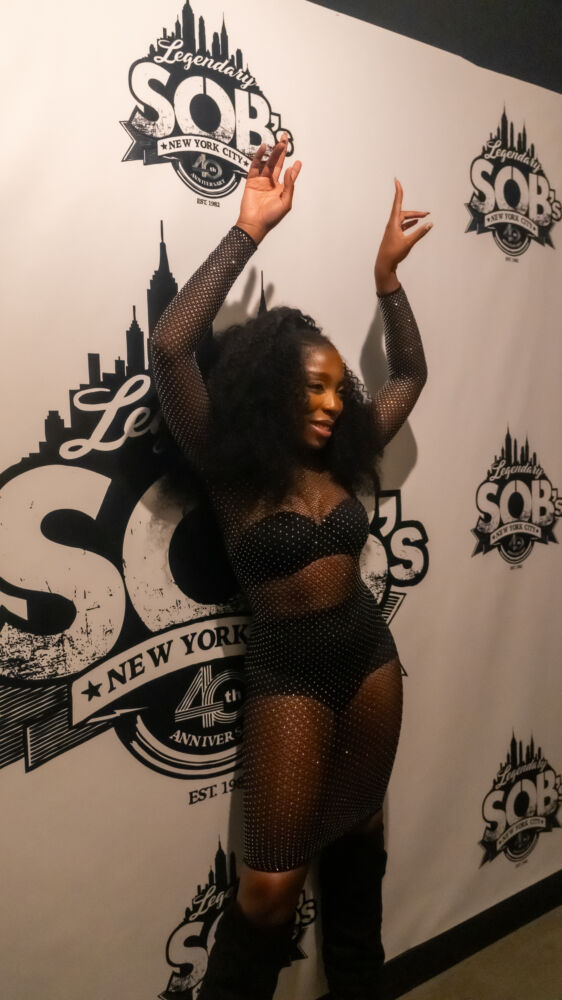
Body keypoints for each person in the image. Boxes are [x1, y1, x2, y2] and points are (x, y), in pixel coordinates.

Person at [151, 135, 431, 1000]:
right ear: (271, 385)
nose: (330, 404)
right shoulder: (231, 466)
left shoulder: (347, 446)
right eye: (312, 387)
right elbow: (170, 347)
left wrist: (387, 281)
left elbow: (410, 373)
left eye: (338, 388)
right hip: (290, 674)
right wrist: (249, 230)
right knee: (270, 892)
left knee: (361, 844)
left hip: (369, 658)